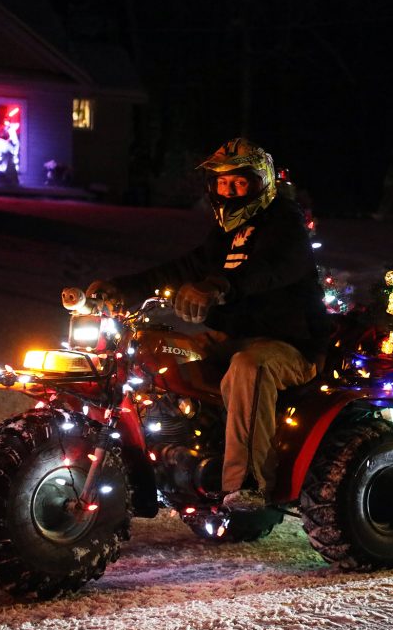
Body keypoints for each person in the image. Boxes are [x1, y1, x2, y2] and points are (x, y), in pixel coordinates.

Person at [87, 137, 328, 511]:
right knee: (159, 350)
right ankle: (178, 450)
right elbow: (183, 267)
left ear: (260, 182)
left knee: (249, 368)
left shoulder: (285, 222)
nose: (230, 190)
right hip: (229, 337)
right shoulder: (225, 234)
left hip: (289, 343)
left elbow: (274, 269)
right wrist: (123, 287)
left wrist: (220, 285)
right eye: (222, 182)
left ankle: (246, 484)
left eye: (240, 182)